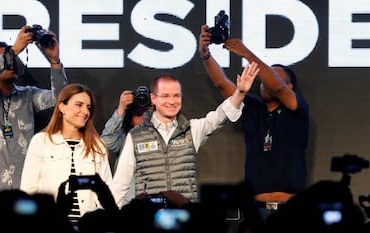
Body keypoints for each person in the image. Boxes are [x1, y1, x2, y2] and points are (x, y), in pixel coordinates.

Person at [199, 24, 310, 223]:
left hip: (291, 211)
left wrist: (245, 52)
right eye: (261, 79)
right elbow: (222, 83)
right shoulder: (252, 109)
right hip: (256, 211)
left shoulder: (297, 108)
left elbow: (277, 87)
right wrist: (205, 54)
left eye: (270, 77)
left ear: (290, 87)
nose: (264, 82)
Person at [111, 68, 259, 209]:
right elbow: (120, 184)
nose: (172, 101)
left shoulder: (191, 129)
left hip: (185, 218)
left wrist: (239, 92)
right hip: (149, 220)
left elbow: (219, 117)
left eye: (176, 95)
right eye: (165, 96)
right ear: (153, 99)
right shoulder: (136, 136)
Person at [0, 25, 67, 224]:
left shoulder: (27, 95)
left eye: (12, 59)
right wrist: (13, 50)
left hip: (22, 193)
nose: (11, 63)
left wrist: (54, 61)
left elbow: (61, 99)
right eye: (3, 59)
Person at [20, 83, 113, 229]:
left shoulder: (97, 146)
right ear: (62, 107)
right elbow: (28, 189)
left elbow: (107, 191)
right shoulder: (41, 141)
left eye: (88, 107)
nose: (85, 111)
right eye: (79, 105)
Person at [101, 87, 153, 205]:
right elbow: (106, 141)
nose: (145, 118)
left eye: (149, 113)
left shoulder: (168, 139)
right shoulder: (125, 139)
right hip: (126, 208)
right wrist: (121, 109)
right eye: (139, 114)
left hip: (158, 209)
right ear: (130, 119)